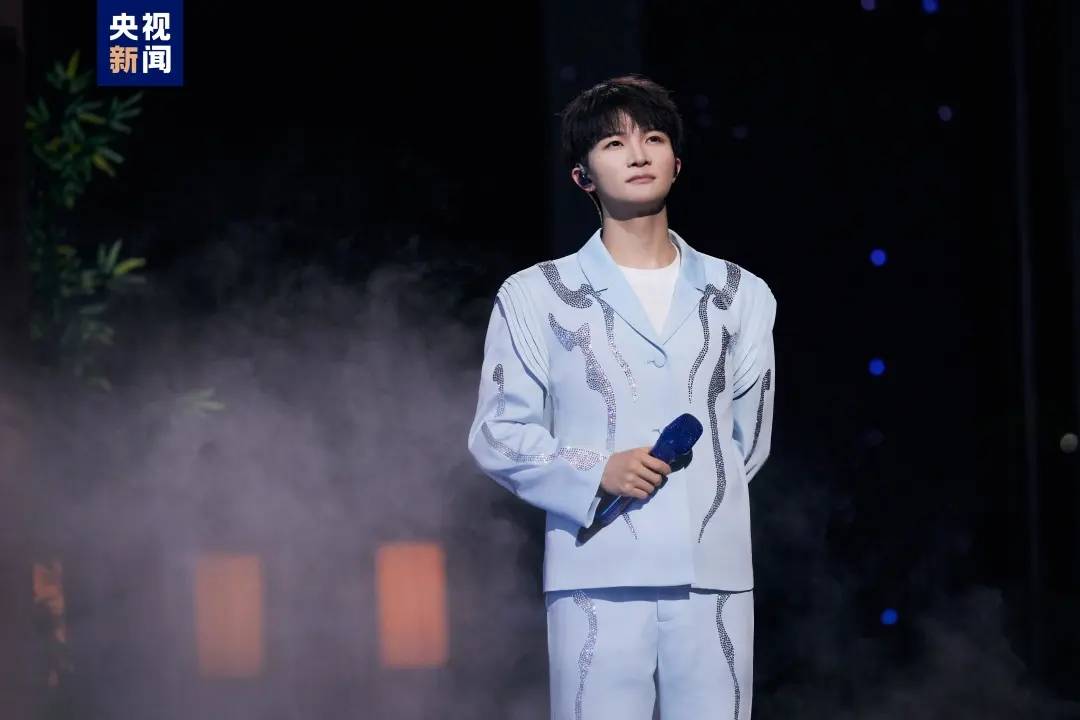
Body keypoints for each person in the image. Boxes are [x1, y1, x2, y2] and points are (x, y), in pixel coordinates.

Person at [466, 74, 777, 720]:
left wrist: (699, 501)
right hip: (596, 571)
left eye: (654, 139)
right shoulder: (536, 295)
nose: (638, 154)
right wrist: (595, 470)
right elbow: (497, 433)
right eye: (614, 143)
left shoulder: (741, 294)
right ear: (582, 176)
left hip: (712, 577)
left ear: (677, 163)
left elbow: (746, 441)